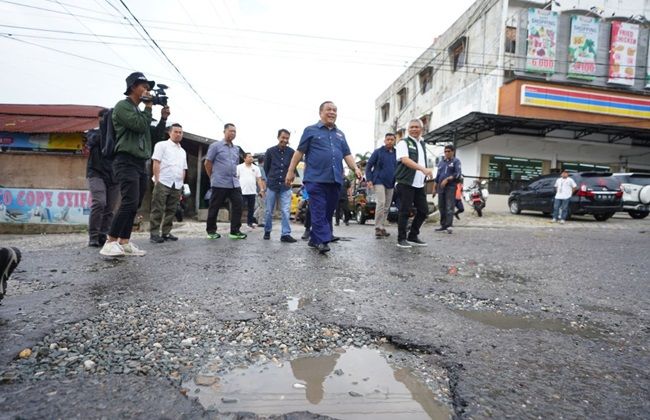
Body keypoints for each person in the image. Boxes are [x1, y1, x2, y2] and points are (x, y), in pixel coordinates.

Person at [100, 71, 169, 257]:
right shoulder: (122, 106)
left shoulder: (140, 111)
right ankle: (110, 241)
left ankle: (124, 241)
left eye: (148, 88)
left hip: (140, 162)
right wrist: (148, 107)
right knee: (128, 201)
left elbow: (154, 136)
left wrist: (163, 119)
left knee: (135, 203)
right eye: (144, 87)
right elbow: (138, 126)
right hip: (125, 160)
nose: (147, 90)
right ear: (133, 87)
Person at [285, 101, 362, 254]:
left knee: (328, 211)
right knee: (319, 209)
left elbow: (347, 154)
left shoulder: (340, 134)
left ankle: (314, 238)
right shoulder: (310, 130)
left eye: (335, 110)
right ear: (320, 112)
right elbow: (299, 152)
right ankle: (322, 240)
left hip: (334, 179)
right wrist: (290, 171)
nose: (332, 112)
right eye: (329, 109)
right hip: (315, 178)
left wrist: (356, 168)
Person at [204, 123, 248, 240]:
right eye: (230, 131)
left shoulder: (236, 149)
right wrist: (212, 177)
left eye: (234, 131)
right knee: (215, 206)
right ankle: (211, 231)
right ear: (224, 132)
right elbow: (207, 163)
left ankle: (235, 231)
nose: (232, 133)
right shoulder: (215, 146)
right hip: (219, 182)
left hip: (233, 182)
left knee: (238, 204)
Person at [394, 119, 433, 248]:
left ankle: (413, 236)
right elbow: (405, 160)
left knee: (423, 211)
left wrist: (426, 172)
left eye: (417, 127)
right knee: (404, 210)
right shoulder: (403, 143)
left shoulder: (422, 144)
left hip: (419, 183)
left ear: (421, 129)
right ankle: (401, 239)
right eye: (412, 127)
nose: (414, 129)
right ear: (408, 129)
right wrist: (423, 169)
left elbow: (422, 161)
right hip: (405, 181)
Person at [86, 108, 120, 248]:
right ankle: (93, 236)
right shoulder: (92, 133)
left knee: (110, 209)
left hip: (113, 175)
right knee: (99, 202)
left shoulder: (117, 134)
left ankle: (103, 235)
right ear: (99, 119)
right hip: (96, 173)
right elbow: (93, 141)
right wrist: (105, 127)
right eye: (104, 118)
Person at [149, 123, 187, 243]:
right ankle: (154, 233)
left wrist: (181, 184)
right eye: (176, 132)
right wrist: (157, 180)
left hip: (177, 184)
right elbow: (156, 162)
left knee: (172, 209)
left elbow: (183, 169)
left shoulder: (183, 151)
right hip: (163, 181)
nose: (178, 134)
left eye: (180, 132)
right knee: (158, 208)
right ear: (169, 133)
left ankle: (166, 232)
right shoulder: (162, 145)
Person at [263, 129, 296, 242]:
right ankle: (267, 231)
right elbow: (266, 168)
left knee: (286, 211)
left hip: (285, 186)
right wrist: (271, 179)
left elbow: (293, 170)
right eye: (283, 137)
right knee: (268, 210)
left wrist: (290, 179)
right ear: (278, 137)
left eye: (287, 138)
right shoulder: (270, 151)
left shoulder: (292, 152)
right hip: (272, 184)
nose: (285, 140)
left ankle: (285, 234)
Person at [366, 132, 397, 238]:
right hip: (378, 181)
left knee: (387, 206)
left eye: (392, 139)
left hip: (391, 182)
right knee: (381, 203)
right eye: (388, 139)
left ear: (394, 141)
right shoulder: (378, 152)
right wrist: (369, 179)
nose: (389, 141)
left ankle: (382, 226)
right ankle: (378, 227)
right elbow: (369, 166)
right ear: (384, 141)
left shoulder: (396, 153)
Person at [433, 144, 462, 234]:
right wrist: (434, 188)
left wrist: (448, 179)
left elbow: (458, 174)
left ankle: (449, 225)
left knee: (449, 206)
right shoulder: (441, 162)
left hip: (450, 187)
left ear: (452, 152)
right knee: (441, 206)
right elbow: (437, 176)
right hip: (440, 188)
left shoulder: (456, 161)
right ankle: (443, 225)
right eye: (445, 151)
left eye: (448, 151)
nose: (447, 153)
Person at [237, 152, 265, 229]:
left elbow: (259, 179)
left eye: (251, 157)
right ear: (244, 158)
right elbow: (236, 178)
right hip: (242, 191)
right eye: (249, 157)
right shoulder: (239, 167)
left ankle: (250, 223)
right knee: (240, 208)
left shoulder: (256, 168)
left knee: (251, 208)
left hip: (252, 191)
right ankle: (237, 223)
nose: (251, 158)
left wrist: (262, 189)